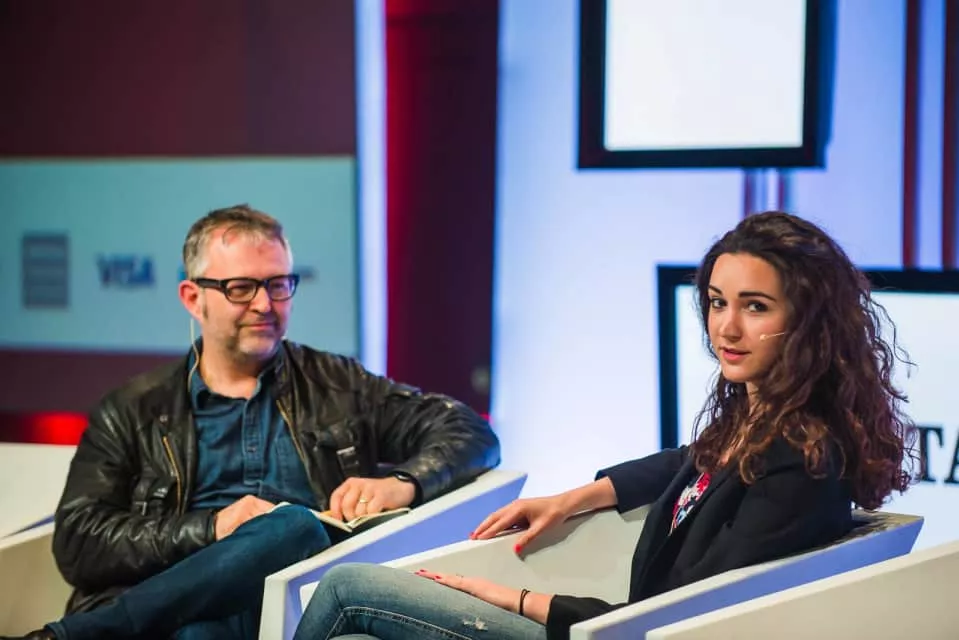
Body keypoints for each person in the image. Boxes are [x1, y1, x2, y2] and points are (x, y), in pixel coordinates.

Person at [292, 211, 915, 640]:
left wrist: (516, 599)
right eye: (717, 302)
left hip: (601, 630)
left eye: (755, 307)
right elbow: (689, 462)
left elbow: (680, 614)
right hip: (600, 624)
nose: (726, 328)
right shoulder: (758, 424)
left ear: (807, 322)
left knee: (346, 588)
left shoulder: (801, 461)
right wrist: (573, 498)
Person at [4, 205, 499, 640]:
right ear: (192, 297)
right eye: (241, 288)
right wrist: (212, 528)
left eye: (278, 285)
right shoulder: (133, 409)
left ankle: (73, 637)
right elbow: (79, 540)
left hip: (294, 603)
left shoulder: (338, 384)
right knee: (202, 628)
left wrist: (402, 482)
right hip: (170, 608)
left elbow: (469, 431)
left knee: (294, 528)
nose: (264, 305)